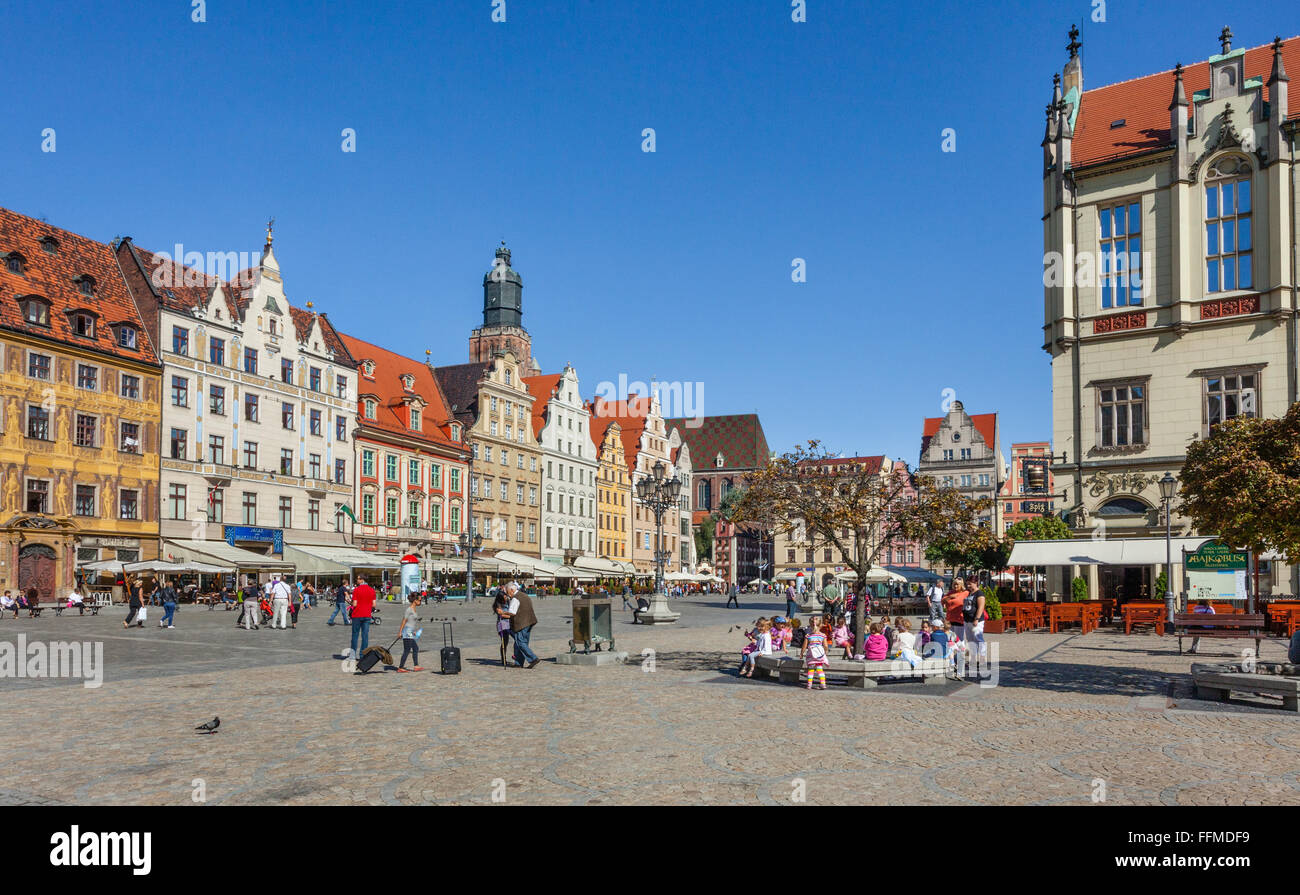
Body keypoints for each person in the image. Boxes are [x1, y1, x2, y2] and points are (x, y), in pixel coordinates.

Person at [501, 581, 541, 669]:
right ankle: (518, 663)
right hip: (530, 621)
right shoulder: (524, 595)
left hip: (521, 623)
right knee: (522, 642)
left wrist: (503, 613)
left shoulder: (516, 598)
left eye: (508, 592)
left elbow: (512, 612)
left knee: (520, 642)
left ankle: (533, 658)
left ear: (512, 590)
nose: (508, 595)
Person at [349, 575, 377, 659]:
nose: (356, 580)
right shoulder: (372, 590)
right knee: (365, 636)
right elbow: (374, 604)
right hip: (367, 615)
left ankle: (353, 654)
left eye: (358, 579)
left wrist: (350, 603)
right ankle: (363, 654)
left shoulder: (356, 590)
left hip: (357, 615)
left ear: (362, 580)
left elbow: (354, 604)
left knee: (355, 635)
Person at [801, 617, 830, 690]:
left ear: (810, 625)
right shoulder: (823, 635)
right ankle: (823, 684)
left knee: (811, 670)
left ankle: (809, 684)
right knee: (820, 669)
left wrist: (802, 653)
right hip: (819, 655)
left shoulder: (808, 635)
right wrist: (825, 652)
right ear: (820, 625)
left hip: (811, 654)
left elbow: (804, 646)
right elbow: (826, 646)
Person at [397, 593, 423, 672]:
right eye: (419, 600)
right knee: (407, 650)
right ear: (415, 601)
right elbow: (404, 621)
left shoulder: (414, 609)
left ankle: (416, 666)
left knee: (415, 648)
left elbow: (411, 621)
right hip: (407, 632)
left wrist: (413, 631)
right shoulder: (409, 610)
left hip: (410, 631)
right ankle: (400, 667)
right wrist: (400, 632)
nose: (420, 602)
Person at [943, 577, 970, 649]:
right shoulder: (950, 592)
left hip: (959, 618)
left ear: (961, 585)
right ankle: (953, 656)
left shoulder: (965, 593)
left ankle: (961, 655)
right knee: (950, 639)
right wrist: (950, 597)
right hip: (949, 619)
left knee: (959, 639)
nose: (955, 586)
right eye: (954, 584)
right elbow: (942, 601)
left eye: (957, 584)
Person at [492, 589, 514, 665]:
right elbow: (501, 615)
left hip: (510, 623)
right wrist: (511, 616)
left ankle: (515, 655)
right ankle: (503, 658)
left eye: (506, 596)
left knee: (517, 639)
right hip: (502, 624)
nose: (506, 597)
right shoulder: (497, 605)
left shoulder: (508, 601)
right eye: (504, 596)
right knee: (505, 642)